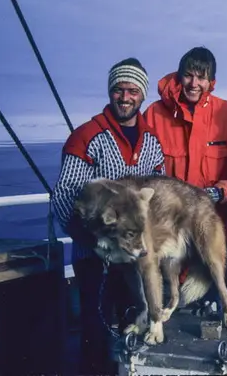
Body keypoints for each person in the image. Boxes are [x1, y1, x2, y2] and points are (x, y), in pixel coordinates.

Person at [51, 57, 165, 375]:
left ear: (142, 95)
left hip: (133, 257)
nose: (125, 97)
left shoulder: (152, 142)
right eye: (118, 89)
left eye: (132, 90)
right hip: (95, 258)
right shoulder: (87, 137)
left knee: (135, 322)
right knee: (96, 330)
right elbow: (64, 196)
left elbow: (158, 195)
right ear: (110, 92)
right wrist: (91, 240)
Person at [143, 46, 227, 299]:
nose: (194, 83)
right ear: (179, 76)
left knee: (210, 316)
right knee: (164, 314)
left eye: (201, 77)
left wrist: (222, 192)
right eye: (188, 75)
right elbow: (143, 173)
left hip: (209, 236)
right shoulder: (154, 116)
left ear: (212, 82)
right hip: (166, 237)